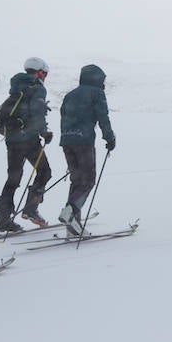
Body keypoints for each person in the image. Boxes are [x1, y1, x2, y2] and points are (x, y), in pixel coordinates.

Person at [0, 57, 54, 231]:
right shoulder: (37, 88)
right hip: (28, 138)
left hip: (11, 139)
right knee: (44, 171)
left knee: (13, 179)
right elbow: (37, 112)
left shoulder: (17, 87)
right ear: (40, 72)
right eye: (45, 74)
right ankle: (31, 209)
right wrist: (44, 132)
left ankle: (3, 219)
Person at [58, 64, 116, 236]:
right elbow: (103, 116)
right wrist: (109, 137)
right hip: (84, 142)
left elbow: (63, 116)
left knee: (76, 181)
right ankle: (70, 213)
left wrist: (67, 136)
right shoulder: (96, 93)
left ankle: (72, 225)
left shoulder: (69, 95)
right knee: (88, 180)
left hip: (67, 141)